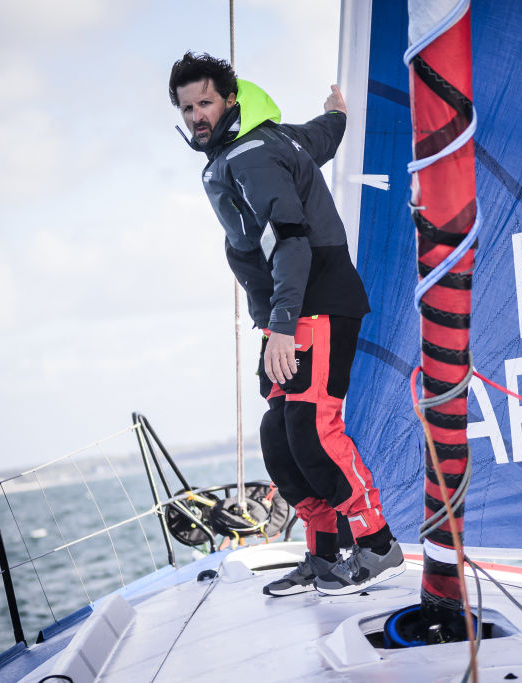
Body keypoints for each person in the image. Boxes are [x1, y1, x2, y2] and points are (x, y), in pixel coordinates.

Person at [168, 51, 403, 596]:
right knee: (279, 436)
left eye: (205, 102)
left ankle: (377, 545)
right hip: (292, 310)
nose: (197, 116)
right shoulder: (272, 139)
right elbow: (321, 138)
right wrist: (337, 114)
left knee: (313, 430)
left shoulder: (250, 154)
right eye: (187, 108)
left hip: (312, 302)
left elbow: (292, 238)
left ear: (231, 100)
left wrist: (281, 326)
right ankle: (325, 554)